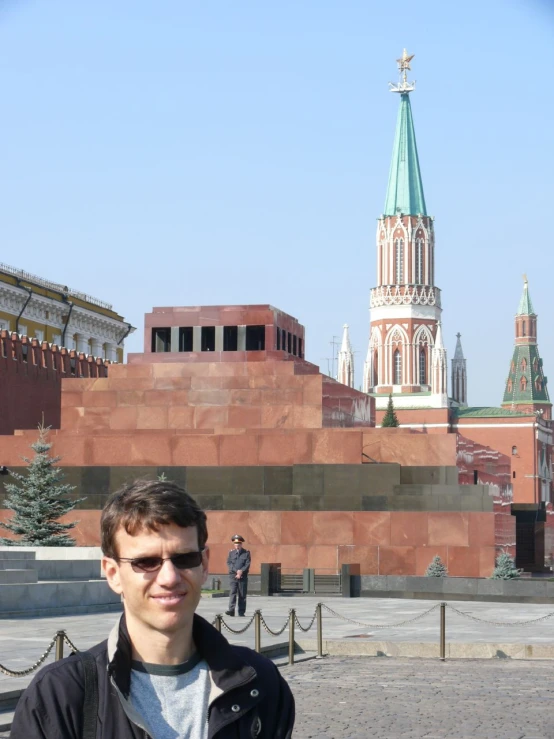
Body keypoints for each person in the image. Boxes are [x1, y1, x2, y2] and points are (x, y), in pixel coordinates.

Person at [10, 480, 294, 738]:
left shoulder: (261, 683)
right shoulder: (62, 695)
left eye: (184, 558)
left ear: (204, 565)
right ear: (112, 573)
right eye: (146, 562)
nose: (169, 577)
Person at [225, 534, 250, 617]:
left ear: (241, 544)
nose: (237, 545)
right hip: (233, 576)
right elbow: (229, 563)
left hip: (242, 576)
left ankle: (241, 612)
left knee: (242, 594)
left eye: (238, 544)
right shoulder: (231, 553)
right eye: (235, 544)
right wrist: (236, 571)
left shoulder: (246, 553)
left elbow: (247, 564)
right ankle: (231, 610)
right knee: (232, 593)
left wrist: (241, 571)